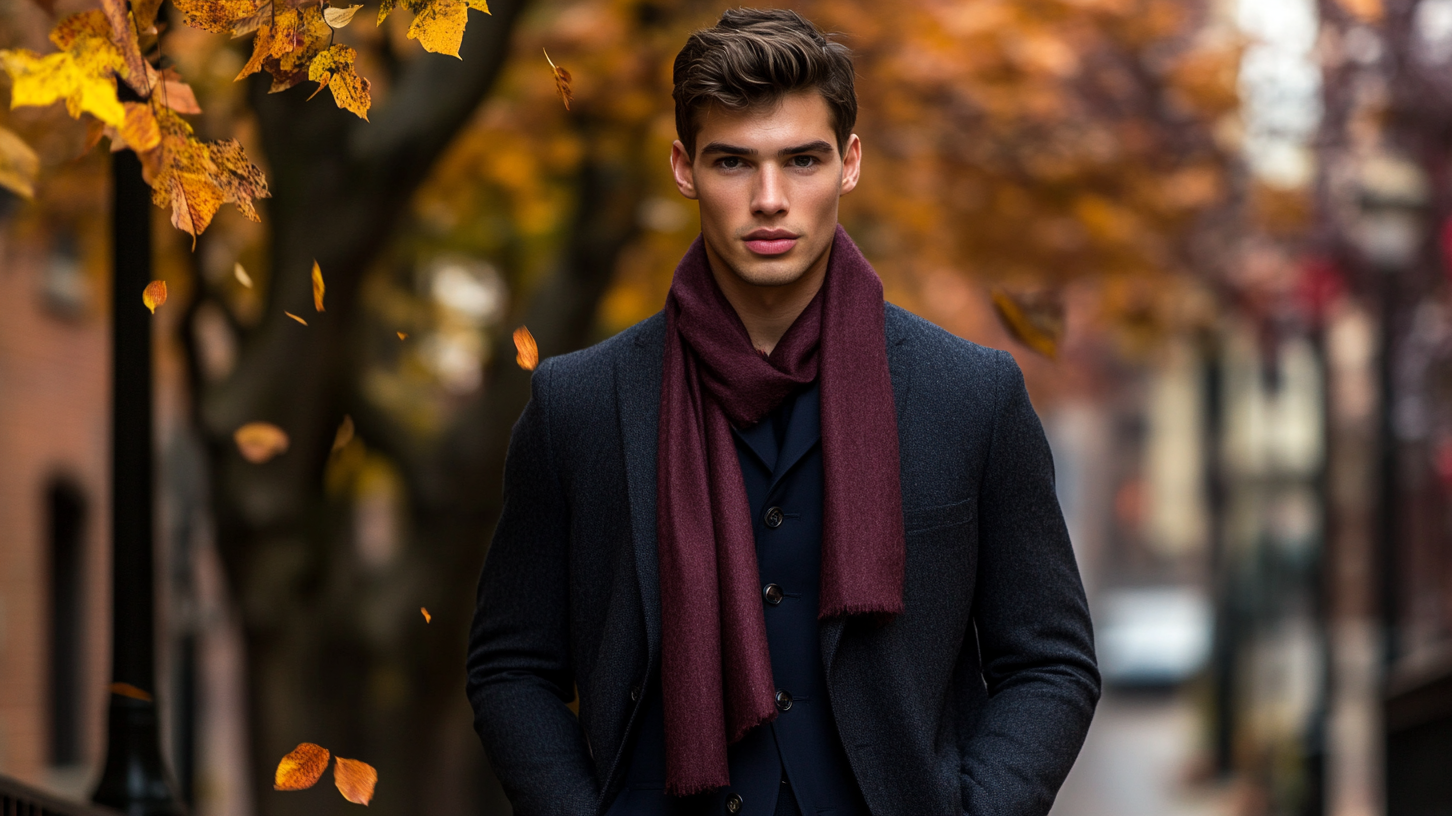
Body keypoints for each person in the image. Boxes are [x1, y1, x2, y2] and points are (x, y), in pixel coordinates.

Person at [466, 8, 1099, 816]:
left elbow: (1051, 660)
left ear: (850, 163)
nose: (770, 200)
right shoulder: (578, 404)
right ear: (684, 168)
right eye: (734, 162)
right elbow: (511, 665)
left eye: (802, 160)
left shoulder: (972, 394)